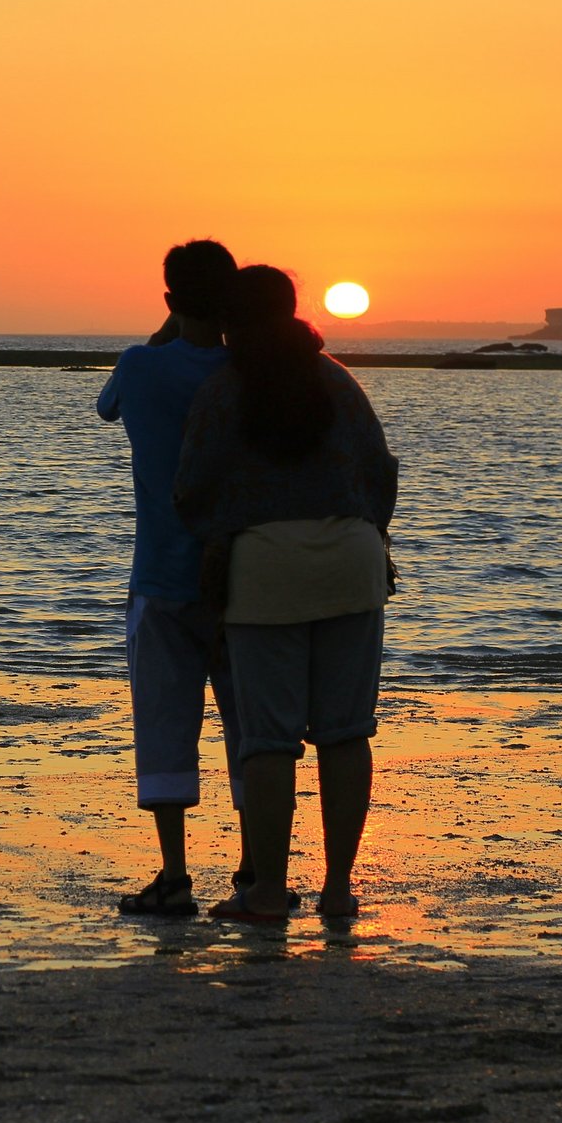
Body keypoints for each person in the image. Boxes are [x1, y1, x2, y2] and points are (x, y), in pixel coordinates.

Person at [174, 265, 398, 921]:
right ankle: (337, 890)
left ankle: (269, 891)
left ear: (229, 323)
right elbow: (381, 474)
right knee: (346, 733)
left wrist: (223, 534)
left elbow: (192, 489)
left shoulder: (221, 391)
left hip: (265, 567)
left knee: (269, 741)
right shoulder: (339, 381)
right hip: (353, 562)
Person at [97, 239, 247, 916]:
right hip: (244, 580)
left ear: (167, 300)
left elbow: (106, 406)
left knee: (163, 723)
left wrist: (164, 332)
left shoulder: (140, 366)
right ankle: (255, 869)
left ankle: (175, 875)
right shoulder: (248, 372)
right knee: (252, 728)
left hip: (160, 576)